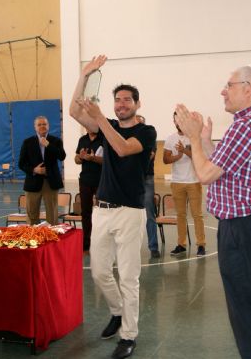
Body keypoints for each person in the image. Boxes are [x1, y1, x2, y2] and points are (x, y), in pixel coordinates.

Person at [174, 64, 251, 359]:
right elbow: (228, 168)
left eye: (229, 85)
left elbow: (205, 174)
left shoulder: (247, 125)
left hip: (241, 229)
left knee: (244, 309)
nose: (223, 91)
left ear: (248, 88)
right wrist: (203, 140)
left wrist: (191, 136)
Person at [69, 54, 156, 359]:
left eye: (127, 100)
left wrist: (101, 117)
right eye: (117, 100)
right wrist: (84, 75)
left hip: (130, 212)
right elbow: (73, 110)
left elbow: (121, 148)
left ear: (137, 104)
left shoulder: (146, 133)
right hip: (102, 210)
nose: (121, 104)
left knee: (129, 277)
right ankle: (117, 311)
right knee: (99, 272)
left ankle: (129, 335)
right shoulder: (106, 126)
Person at [163, 111, 206, 257]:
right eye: (176, 120)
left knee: (197, 215)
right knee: (180, 215)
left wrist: (184, 151)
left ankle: (201, 245)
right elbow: (165, 159)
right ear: (174, 121)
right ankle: (181, 244)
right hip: (177, 182)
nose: (178, 123)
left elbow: (198, 157)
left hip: (193, 181)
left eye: (181, 120)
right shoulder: (170, 139)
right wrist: (178, 155)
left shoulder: (194, 137)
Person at [19, 116, 66, 225]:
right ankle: (34, 239)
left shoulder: (56, 141)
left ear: (48, 126)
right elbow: (21, 164)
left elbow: (62, 156)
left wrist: (48, 145)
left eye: (44, 124)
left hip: (51, 183)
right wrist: (34, 170)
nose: (42, 126)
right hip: (33, 182)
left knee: (52, 216)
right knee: (32, 216)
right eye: (39, 124)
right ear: (35, 127)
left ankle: (52, 239)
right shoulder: (27, 142)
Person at [74, 128, 104, 252]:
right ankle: (86, 242)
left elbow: (108, 161)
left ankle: (100, 243)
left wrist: (93, 158)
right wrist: (80, 158)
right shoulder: (82, 139)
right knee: (86, 212)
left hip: (101, 181)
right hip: (85, 180)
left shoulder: (104, 139)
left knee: (102, 214)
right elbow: (76, 159)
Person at [136, 114, 160, 259]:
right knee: (128, 215)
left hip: (146, 178)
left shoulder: (150, 138)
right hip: (130, 179)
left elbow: (149, 155)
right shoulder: (128, 139)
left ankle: (153, 247)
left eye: (141, 124)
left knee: (149, 214)